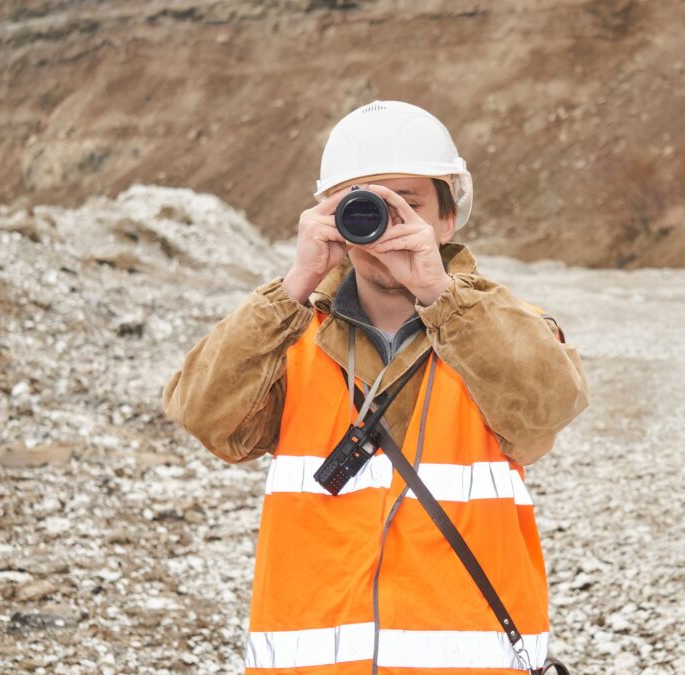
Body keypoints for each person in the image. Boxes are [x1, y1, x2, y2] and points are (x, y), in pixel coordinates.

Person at [161, 100, 590, 674]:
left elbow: (548, 409)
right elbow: (206, 418)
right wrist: (295, 286)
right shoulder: (287, 334)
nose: (388, 225)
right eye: (365, 205)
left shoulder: (501, 330)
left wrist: (444, 297)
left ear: (447, 219)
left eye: (408, 206)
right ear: (332, 215)